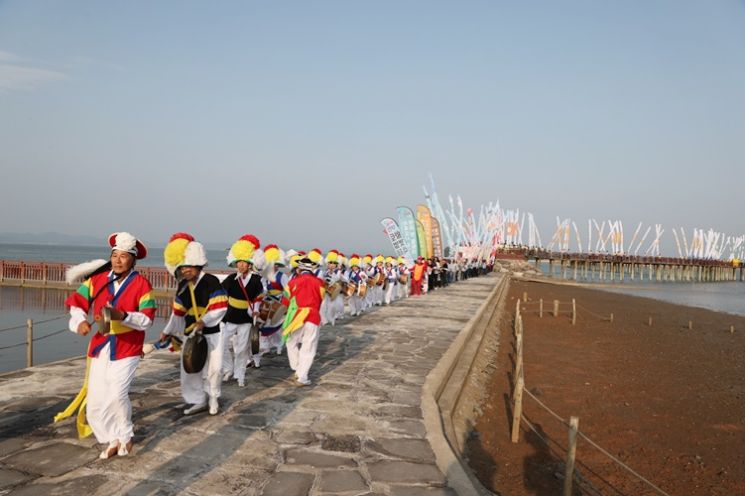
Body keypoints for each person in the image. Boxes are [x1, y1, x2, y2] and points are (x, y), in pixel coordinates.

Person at [58, 232, 156, 459]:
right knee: (95, 403)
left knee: (116, 395)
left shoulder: (142, 285)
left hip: (128, 346)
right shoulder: (98, 281)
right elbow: (76, 303)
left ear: (133, 260)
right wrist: (80, 321)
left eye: (124, 256)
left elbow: (147, 320)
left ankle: (127, 435)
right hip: (101, 345)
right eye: (114, 255)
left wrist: (122, 315)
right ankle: (112, 438)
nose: (118, 260)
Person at [160, 233, 228, 415]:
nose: (185, 271)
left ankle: (213, 398)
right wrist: (167, 332)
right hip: (192, 333)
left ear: (198, 264)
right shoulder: (183, 286)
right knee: (190, 367)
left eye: (188, 267)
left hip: (213, 332)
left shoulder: (211, 282)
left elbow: (220, 308)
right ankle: (197, 399)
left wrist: (203, 321)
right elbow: (178, 313)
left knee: (215, 368)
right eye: (182, 267)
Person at [221, 234, 264, 386]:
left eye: (244, 262)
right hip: (230, 316)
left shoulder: (256, 280)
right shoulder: (231, 279)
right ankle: (228, 368)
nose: (241, 265)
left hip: (246, 318)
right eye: (238, 262)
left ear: (250, 263)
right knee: (222, 343)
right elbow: (220, 294)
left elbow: (258, 297)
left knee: (241, 349)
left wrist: (256, 310)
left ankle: (240, 376)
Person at [281, 256, 325, 386]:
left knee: (291, 341)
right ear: (312, 269)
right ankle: (302, 375)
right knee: (309, 346)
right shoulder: (320, 282)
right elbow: (321, 300)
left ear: (299, 270)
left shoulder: (292, 283)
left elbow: (285, 302)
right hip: (313, 315)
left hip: (296, 316)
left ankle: (296, 367)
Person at [256, 243, 289, 361]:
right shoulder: (264, 275)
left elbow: (287, 291)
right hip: (266, 302)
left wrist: (285, 304)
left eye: (275, 264)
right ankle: (266, 346)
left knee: (277, 326)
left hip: (278, 303)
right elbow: (262, 288)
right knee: (265, 324)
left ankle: (279, 345)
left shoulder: (282, 276)